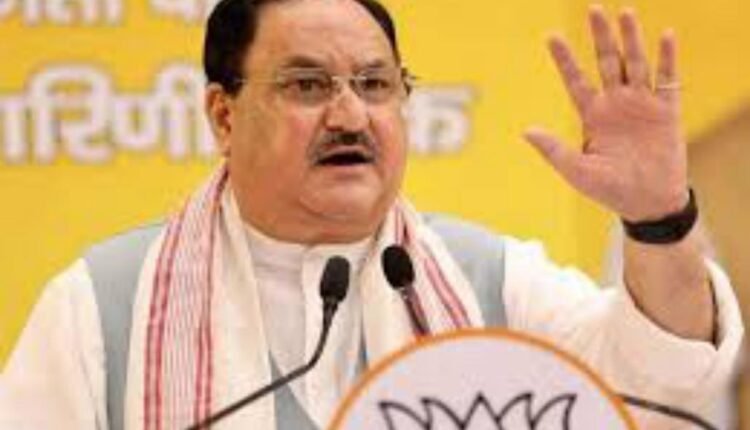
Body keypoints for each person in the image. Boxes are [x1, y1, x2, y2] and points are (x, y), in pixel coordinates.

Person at [0, 0, 744, 429]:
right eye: (307, 85)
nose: (351, 115)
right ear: (224, 116)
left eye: (376, 84)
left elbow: (669, 375)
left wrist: (658, 219)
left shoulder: (490, 280)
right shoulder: (100, 307)